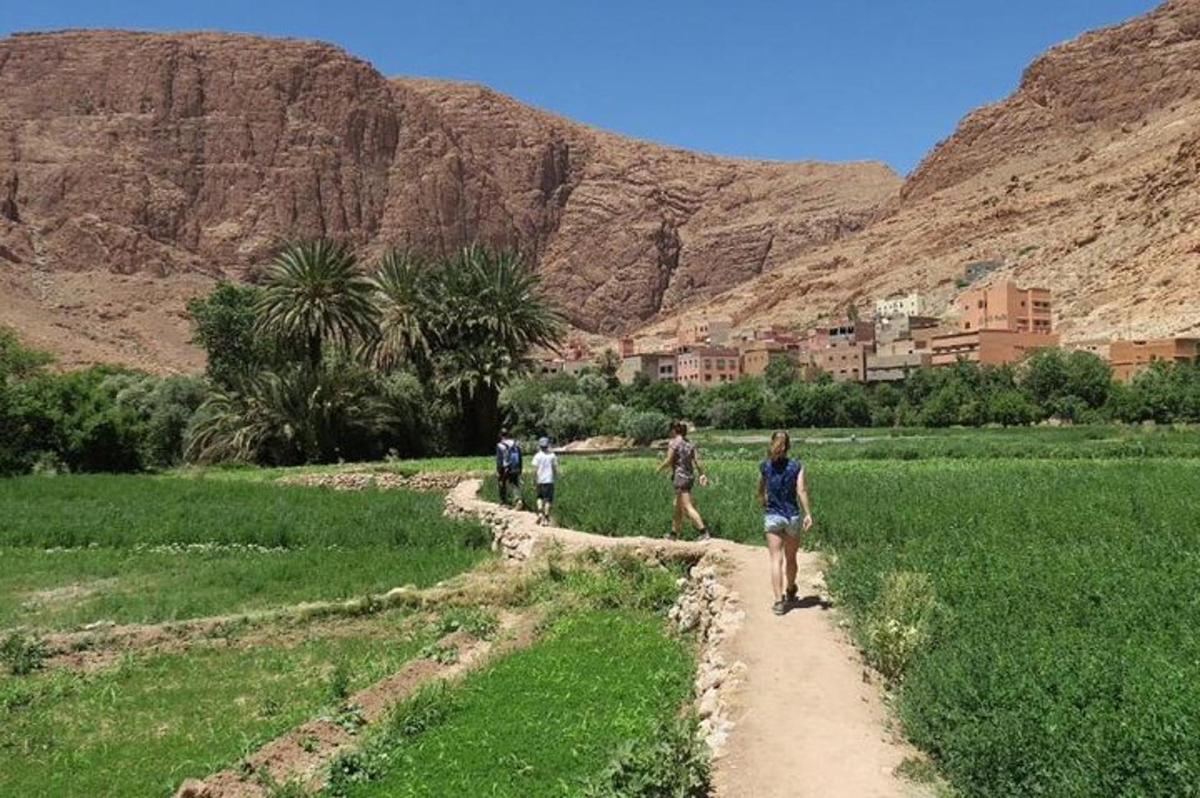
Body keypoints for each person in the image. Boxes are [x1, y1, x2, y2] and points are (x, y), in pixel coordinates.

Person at [757, 430, 814, 615]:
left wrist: (763, 500)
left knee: (776, 559)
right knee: (791, 558)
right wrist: (808, 514)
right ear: (788, 446)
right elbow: (802, 490)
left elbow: (761, 489)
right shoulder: (796, 466)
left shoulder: (765, 466)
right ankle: (790, 588)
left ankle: (778, 601)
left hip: (772, 515)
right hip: (792, 516)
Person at [657, 421, 711, 541]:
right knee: (678, 506)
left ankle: (703, 532)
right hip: (689, 477)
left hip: (680, 478)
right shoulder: (690, 444)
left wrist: (659, 468)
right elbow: (697, 462)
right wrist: (702, 474)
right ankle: (673, 534)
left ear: (674, 431)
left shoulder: (674, 443)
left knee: (687, 506)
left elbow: (669, 460)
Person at [531, 436, 559, 526]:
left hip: (540, 480)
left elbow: (534, 470)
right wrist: (556, 476)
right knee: (548, 500)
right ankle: (546, 517)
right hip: (549, 480)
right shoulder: (552, 455)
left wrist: (534, 480)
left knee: (539, 497)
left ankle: (539, 513)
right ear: (548, 445)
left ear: (540, 446)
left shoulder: (537, 456)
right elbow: (555, 468)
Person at [496, 429, 523, 508]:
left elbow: (499, 460)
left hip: (505, 468)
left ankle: (504, 502)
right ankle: (518, 500)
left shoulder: (500, 445)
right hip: (515, 467)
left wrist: (498, 471)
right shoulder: (516, 445)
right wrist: (520, 469)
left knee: (502, 483)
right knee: (515, 484)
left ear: (501, 435)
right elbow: (520, 458)